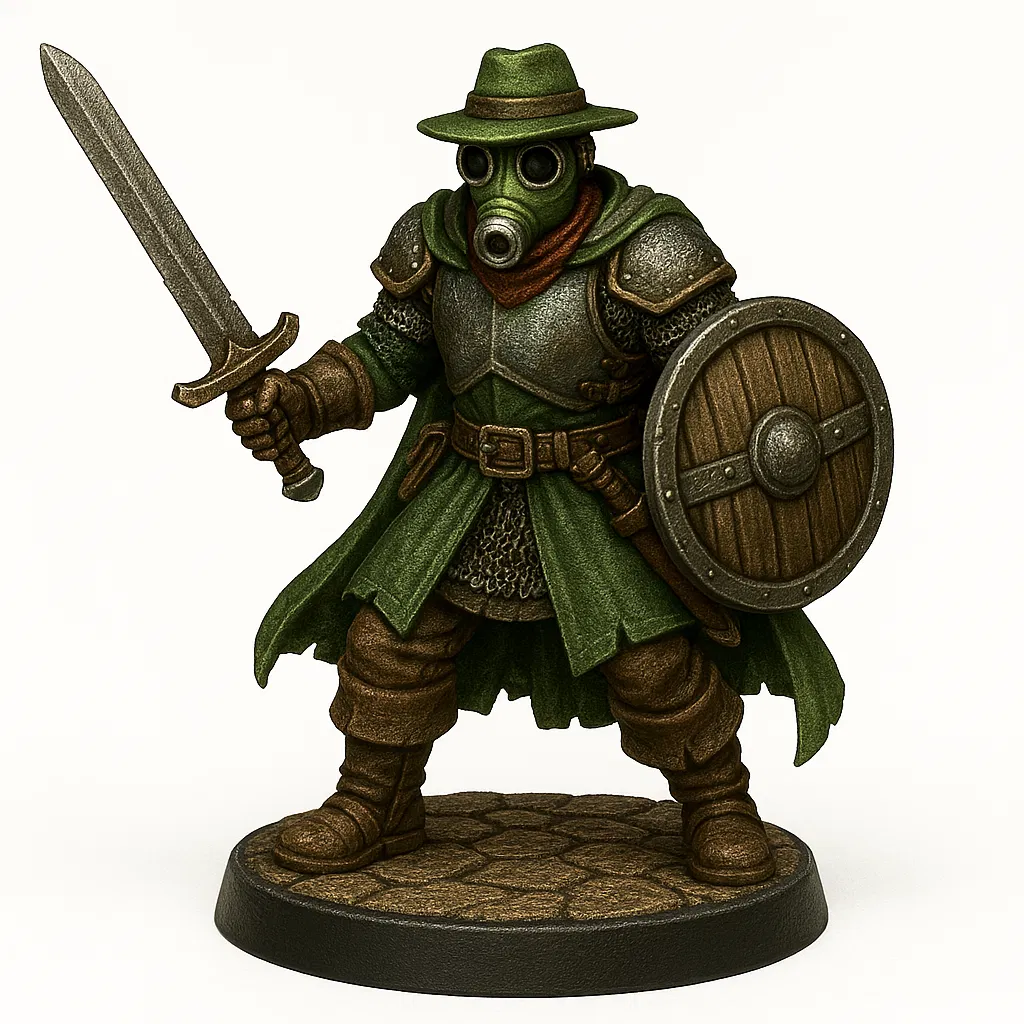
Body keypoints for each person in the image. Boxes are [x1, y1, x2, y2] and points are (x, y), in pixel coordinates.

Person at [227, 43, 843, 887]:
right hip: (462, 489)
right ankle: (375, 803)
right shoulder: (435, 244)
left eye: (535, 163)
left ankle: (717, 802)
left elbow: (723, 384)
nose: (503, 187)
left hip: (596, 494)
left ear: (581, 155)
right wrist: (301, 399)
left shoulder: (646, 250)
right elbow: (387, 354)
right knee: (389, 642)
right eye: (482, 163)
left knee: (654, 663)